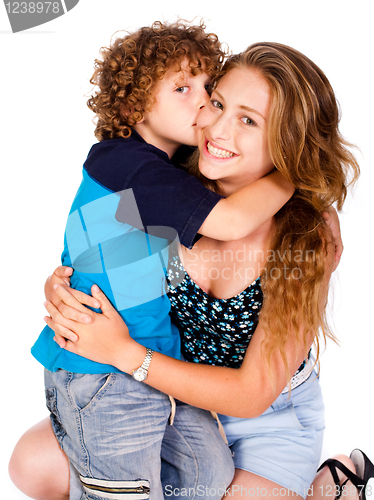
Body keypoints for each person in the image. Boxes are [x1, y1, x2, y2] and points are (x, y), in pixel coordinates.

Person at [39, 42, 371, 500]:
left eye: (248, 120)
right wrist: (64, 284)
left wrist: (124, 354)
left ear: (288, 141)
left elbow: (252, 394)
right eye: (217, 102)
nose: (215, 124)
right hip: (171, 396)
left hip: (265, 415)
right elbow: (98, 236)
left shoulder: (307, 231)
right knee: (31, 466)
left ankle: (332, 485)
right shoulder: (167, 181)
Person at [9, 21, 296, 500]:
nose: (203, 102)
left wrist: (62, 278)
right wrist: (292, 172)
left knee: (210, 475)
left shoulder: (165, 174)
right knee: (126, 488)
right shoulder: (127, 164)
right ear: (131, 104)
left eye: (208, 88)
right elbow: (229, 223)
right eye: (182, 88)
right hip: (100, 372)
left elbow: (90, 243)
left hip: (152, 360)